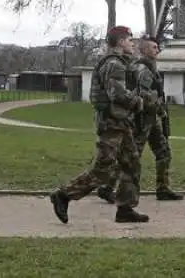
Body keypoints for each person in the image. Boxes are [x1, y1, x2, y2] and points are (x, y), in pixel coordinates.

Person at [49, 25, 150, 224]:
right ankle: (63, 195)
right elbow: (117, 94)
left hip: (121, 123)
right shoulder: (115, 64)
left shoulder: (120, 63)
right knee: (102, 169)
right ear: (121, 41)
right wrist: (138, 102)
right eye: (130, 40)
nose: (133, 44)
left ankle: (125, 208)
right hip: (111, 124)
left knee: (131, 164)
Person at [97, 35, 183, 204]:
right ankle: (107, 187)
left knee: (163, 151)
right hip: (142, 119)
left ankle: (163, 188)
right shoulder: (142, 69)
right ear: (144, 50)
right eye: (153, 47)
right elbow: (142, 94)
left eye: (157, 47)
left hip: (152, 118)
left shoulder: (151, 67)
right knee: (131, 156)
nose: (157, 50)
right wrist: (157, 104)